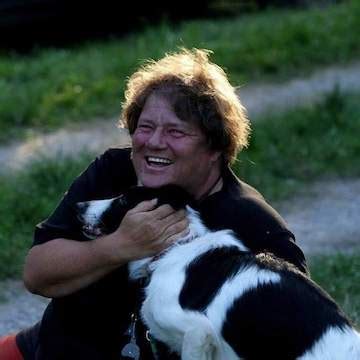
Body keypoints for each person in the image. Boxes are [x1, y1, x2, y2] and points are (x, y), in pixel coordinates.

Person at [1, 48, 308, 359]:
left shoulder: (252, 225)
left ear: (215, 147)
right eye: (145, 127)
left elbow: (293, 335)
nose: (154, 142)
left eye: (176, 131)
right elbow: (37, 274)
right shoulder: (114, 171)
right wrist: (120, 245)